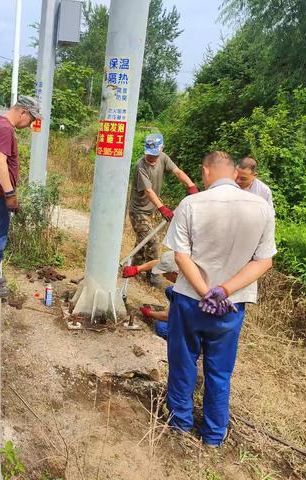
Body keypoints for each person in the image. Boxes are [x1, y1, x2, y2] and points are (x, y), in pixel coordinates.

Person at [163, 151, 276, 447]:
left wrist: (204, 291)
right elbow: (264, 262)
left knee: (183, 361)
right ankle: (214, 434)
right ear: (233, 173)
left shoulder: (191, 204)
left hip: (190, 301)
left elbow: (180, 255)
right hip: (231, 305)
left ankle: (180, 424)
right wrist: (223, 292)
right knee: (219, 371)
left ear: (206, 172)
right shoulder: (262, 208)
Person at [0, 95, 40, 297]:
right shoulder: (5, 129)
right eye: (30, 119)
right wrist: (10, 193)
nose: (29, 124)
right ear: (23, 111)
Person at [128, 133, 198, 287]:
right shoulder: (141, 166)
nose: (152, 158)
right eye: (149, 155)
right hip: (138, 210)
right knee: (152, 239)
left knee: (143, 239)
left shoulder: (163, 158)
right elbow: (148, 191)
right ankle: (152, 274)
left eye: (155, 155)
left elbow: (177, 172)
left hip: (150, 209)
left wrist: (190, 185)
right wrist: (162, 208)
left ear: (161, 150)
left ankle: (133, 267)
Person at [122, 250, 178, 340]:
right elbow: (157, 263)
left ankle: (197, 343)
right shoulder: (184, 263)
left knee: (161, 327)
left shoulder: (184, 288)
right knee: (169, 290)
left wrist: (149, 313)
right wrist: (137, 269)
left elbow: (167, 317)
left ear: (175, 273)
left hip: (200, 324)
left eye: (165, 273)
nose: (163, 276)